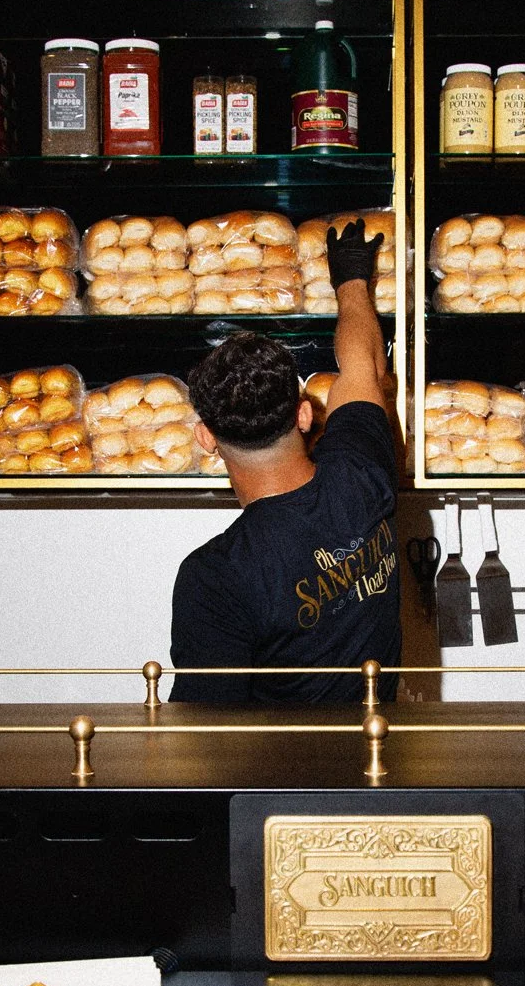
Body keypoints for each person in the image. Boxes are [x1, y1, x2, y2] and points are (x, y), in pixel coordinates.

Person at [169, 219, 398, 703]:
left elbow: (205, 735)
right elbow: (365, 365)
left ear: (206, 437)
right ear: (303, 414)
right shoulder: (360, 473)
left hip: (285, 778)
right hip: (383, 756)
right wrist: (351, 279)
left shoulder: (216, 576)